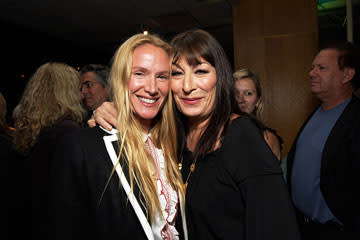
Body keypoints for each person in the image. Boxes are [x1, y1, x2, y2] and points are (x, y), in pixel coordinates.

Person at [91, 29, 300, 240]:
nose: (188, 87)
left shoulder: (241, 136)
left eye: (200, 72)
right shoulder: (170, 137)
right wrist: (113, 111)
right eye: (177, 74)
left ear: (221, 77)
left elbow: (277, 226)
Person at [49, 33, 187, 240]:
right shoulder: (81, 147)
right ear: (120, 78)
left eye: (161, 76)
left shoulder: (178, 141)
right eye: (139, 74)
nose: (152, 88)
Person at [287, 42, 360, 240]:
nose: (312, 73)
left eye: (322, 68)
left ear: (347, 75)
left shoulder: (355, 118)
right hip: (304, 227)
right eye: (312, 67)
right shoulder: (316, 114)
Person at [12, 62, 86, 240]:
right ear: (65, 92)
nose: (83, 94)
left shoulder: (29, 128)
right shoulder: (68, 131)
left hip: (29, 223)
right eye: (78, 88)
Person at [233, 68, 283, 160]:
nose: (240, 99)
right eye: (235, 93)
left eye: (248, 93)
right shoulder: (217, 136)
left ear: (258, 101)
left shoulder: (267, 139)